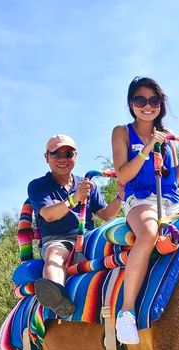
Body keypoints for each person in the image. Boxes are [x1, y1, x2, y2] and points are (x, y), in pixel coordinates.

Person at [112, 76, 179, 344]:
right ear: (131, 104)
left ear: (160, 104)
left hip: (172, 200)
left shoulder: (168, 138)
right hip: (139, 199)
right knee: (148, 234)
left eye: (154, 100)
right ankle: (126, 312)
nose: (147, 106)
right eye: (140, 100)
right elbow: (123, 175)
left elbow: (172, 179)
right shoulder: (122, 132)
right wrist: (148, 147)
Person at [28, 134, 123, 317]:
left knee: (122, 242)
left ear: (76, 156)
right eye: (56, 154)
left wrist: (121, 194)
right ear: (46, 157)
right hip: (58, 239)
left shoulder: (86, 184)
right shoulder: (38, 186)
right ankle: (57, 298)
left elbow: (107, 215)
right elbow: (48, 215)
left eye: (68, 153)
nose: (63, 159)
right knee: (55, 254)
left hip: (88, 237)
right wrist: (74, 199)